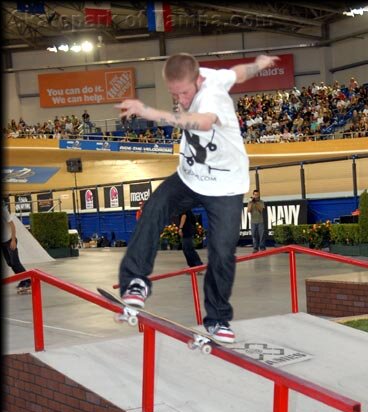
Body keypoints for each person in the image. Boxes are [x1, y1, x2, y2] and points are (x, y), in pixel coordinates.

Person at [115, 52, 280, 343]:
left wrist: (151, 113)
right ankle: (136, 281)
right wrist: (259, 65)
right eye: (174, 94)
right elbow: (238, 72)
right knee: (154, 209)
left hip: (226, 187)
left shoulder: (212, 93)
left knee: (221, 252)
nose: (181, 98)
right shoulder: (210, 74)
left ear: (199, 80)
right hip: (190, 178)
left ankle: (217, 320)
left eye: (186, 92)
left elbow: (203, 122)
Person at [1, 200, 31, 292]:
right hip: (3, 242)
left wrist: (13, 240)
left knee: (15, 262)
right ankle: (23, 280)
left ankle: (27, 281)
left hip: (10, 240)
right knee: (10, 263)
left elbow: (12, 225)